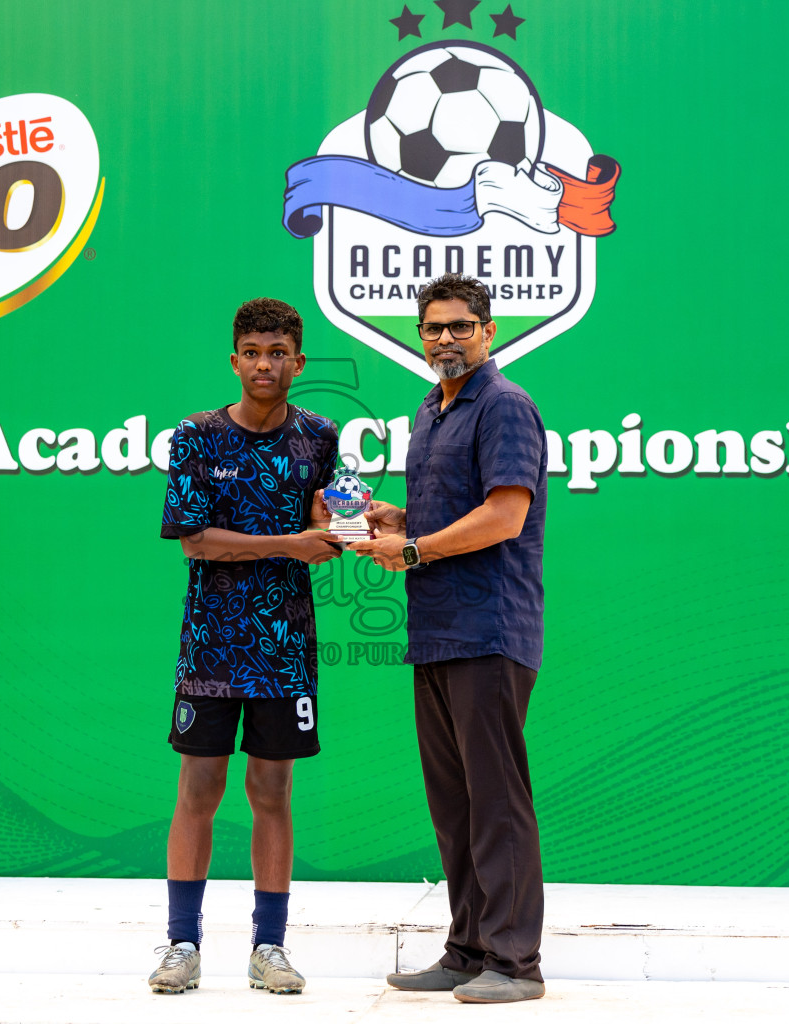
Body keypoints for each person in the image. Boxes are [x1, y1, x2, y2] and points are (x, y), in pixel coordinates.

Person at [351, 273, 549, 1003]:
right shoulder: (430, 412)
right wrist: (395, 520)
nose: (445, 339)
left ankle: (515, 962)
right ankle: (467, 951)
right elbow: (446, 514)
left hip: (490, 630)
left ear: (489, 331)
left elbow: (503, 516)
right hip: (435, 631)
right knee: (455, 803)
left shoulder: (504, 406)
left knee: (495, 800)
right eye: (434, 327)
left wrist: (412, 551)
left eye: (461, 326)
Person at [150, 297, 343, 996]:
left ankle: (270, 947)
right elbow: (195, 541)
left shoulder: (320, 435)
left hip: (285, 647)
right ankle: (181, 944)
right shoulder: (197, 435)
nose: (266, 365)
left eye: (279, 353)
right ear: (236, 361)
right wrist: (290, 543)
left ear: (298, 361)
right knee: (198, 789)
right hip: (210, 647)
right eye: (253, 353)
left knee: (273, 791)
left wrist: (345, 524)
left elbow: (331, 517)